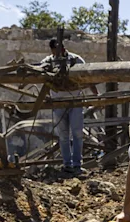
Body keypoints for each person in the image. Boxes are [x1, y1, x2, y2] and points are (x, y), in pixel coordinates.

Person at [40, 38, 98, 175]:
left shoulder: (76, 60)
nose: (58, 54)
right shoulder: (48, 61)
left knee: (77, 133)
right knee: (63, 135)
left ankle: (77, 164)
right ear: (52, 51)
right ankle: (67, 164)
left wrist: (96, 94)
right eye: (55, 52)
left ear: (64, 49)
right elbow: (40, 75)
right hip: (58, 103)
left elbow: (87, 76)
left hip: (75, 102)